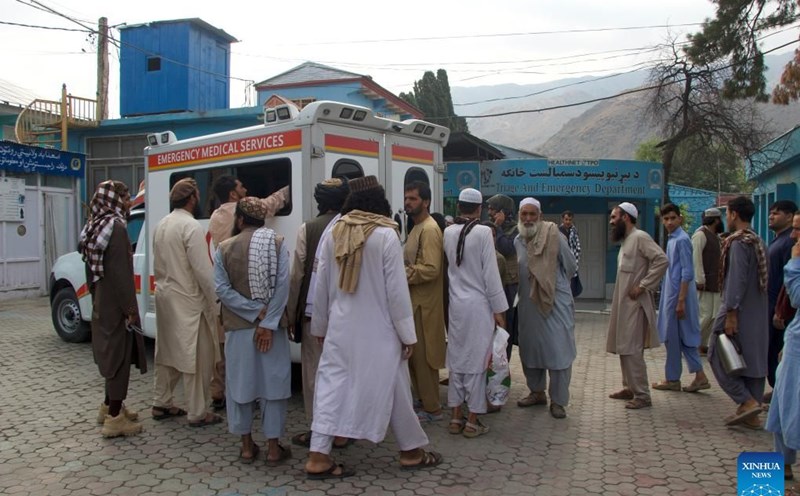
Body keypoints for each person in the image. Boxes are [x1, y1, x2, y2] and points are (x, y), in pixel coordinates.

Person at [305, 175, 442, 479]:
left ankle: (319, 456)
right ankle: (410, 452)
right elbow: (396, 293)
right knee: (395, 386)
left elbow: (323, 285)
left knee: (331, 389)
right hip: (380, 332)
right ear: (380, 202)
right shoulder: (385, 235)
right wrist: (408, 335)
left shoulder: (334, 232)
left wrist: (321, 326)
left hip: (341, 330)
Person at [214, 197, 292, 465]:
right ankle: (273, 449)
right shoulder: (278, 243)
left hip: (238, 329)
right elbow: (283, 287)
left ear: (239, 219)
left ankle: (247, 448)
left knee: (240, 386)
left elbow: (222, 290)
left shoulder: (223, 248)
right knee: (274, 386)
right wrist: (268, 321)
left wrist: (251, 310)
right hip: (273, 330)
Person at [207, 176, 290, 411]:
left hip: (230, 299)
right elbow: (271, 203)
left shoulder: (214, 216)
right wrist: (290, 186)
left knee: (227, 352)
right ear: (234, 195)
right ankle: (255, 396)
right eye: (241, 186)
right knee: (257, 352)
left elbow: (221, 288)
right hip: (253, 290)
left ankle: (220, 392)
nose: (245, 188)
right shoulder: (245, 211)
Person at [79, 180, 147, 438]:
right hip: (117, 305)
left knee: (110, 354)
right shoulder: (116, 228)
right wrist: (130, 308)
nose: (129, 202)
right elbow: (121, 275)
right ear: (114, 200)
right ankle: (115, 420)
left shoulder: (94, 227)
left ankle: (109, 406)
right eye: (126, 197)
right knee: (118, 358)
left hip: (102, 302)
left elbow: (90, 270)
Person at [285, 178, 350, 448]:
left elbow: (297, 275)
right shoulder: (352, 228)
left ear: (319, 201)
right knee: (344, 372)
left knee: (314, 375)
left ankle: (318, 430)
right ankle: (343, 431)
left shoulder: (308, 229)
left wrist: (291, 314)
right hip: (346, 315)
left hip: (314, 317)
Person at [152, 178, 222, 427]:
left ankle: (162, 402)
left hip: (165, 299)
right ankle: (198, 412)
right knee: (197, 358)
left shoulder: (162, 224)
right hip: (189, 302)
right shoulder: (191, 226)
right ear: (192, 198)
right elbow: (203, 271)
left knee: (167, 353)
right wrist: (217, 302)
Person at [444, 188, 508, 437]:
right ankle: (472, 421)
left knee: (458, 361)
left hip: (456, 306)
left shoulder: (448, 232)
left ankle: (455, 417)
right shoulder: (483, 233)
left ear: (459, 207)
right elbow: (491, 275)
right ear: (479, 209)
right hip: (479, 306)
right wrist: (499, 310)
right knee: (478, 362)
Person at [708, 196, 769, 429]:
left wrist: (731, 313)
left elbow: (736, 280)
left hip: (737, 310)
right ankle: (751, 416)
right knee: (752, 362)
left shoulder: (739, 243)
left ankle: (747, 401)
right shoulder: (758, 240)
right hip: (757, 312)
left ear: (733, 214)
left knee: (716, 354)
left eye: (728, 213)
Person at [514, 198, 577, 419]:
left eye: (532, 214)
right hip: (528, 305)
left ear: (540, 216)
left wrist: (552, 286)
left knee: (558, 351)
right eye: (524, 214)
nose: (528, 219)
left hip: (555, 303)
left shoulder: (554, 235)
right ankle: (537, 392)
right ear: (519, 216)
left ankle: (558, 401)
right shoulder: (517, 241)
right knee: (531, 349)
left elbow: (571, 266)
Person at [606, 202, 668, 410]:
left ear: (625, 217)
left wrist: (643, 286)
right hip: (623, 305)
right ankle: (629, 388)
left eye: (614, 217)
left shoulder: (640, 237)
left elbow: (661, 260)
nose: (611, 222)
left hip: (635, 304)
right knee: (624, 346)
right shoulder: (627, 241)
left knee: (632, 349)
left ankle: (642, 395)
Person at [652, 203, 710, 393]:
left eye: (672, 218)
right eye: (666, 219)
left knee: (679, 337)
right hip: (672, 296)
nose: (669, 222)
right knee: (674, 338)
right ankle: (686, 377)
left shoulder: (683, 239)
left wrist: (681, 300)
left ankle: (677, 378)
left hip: (679, 297)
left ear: (680, 218)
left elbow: (687, 272)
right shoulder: (672, 239)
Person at [403, 181, 447, 423]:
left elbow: (431, 269)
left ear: (426, 202)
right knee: (414, 358)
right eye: (407, 198)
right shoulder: (416, 227)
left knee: (425, 359)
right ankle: (422, 402)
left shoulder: (429, 230)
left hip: (425, 306)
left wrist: (401, 274)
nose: (408, 202)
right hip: (414, 303)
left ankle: (433, 409)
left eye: (413, 199)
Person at [766, 210, 800, 481]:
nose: (795, 236)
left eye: (799, 230)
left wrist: (795, 264)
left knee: (792, 405)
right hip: (794, 341)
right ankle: (780, 469)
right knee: (781, 403)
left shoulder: (795, 261)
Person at [765, 200, 798, 403]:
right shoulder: (778, 240)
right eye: (770, 213)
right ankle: (777, 389)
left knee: (778, 350)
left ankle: (781, 392)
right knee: (771, 350)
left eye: (776, 213)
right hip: (770, 304)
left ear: (788, 216)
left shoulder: (789, 244)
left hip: (781, 308)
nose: (771, 216)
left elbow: (789, 281)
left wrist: (780, 310)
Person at [486, 194, 519, 359]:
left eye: (493, 209)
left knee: (506, 327)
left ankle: (502, 365)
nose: (489, 212)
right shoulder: (487, 228)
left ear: (503, 211)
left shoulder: (516, 230)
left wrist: (498, 228)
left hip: (509, 285)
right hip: (491, 282)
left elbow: (506, 248)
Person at [691, 208, 724, 355]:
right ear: (716, 220)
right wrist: (699, 279)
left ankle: (702, 344)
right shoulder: (700, 235)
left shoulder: (716, 237)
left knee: (714, 315)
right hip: (704, 283)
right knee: (704, 315)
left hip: (715, 283)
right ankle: (692, 343)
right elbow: (696, 258)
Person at [558, 210, 583, 298]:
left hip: (571, 262)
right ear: (562, 220)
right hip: (561, 263)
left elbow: (577, 247)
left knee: (572, 289)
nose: (568, 222)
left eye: (570, 220)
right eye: (566, 219)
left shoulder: (574, 231)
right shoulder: (558, 231)